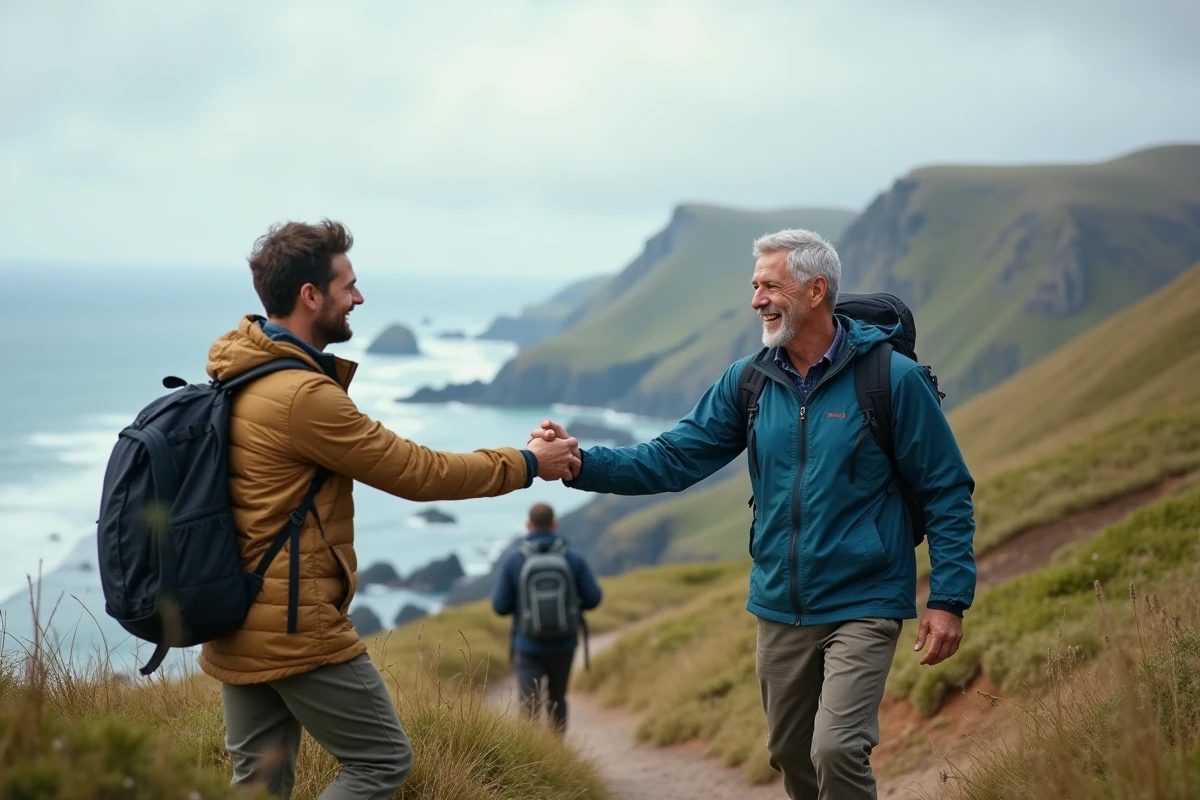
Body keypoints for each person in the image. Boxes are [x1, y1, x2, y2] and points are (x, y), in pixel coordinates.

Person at [528, 228, 976, 799]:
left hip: (864, 600)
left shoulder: (893, 380)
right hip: (778, 603)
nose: (757, 300)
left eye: (770, 286)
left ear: (816, 292)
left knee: (836, 748)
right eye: (754, 285)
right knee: (791, 754)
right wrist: (579, 463)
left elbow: (946, 490)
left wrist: (948, 598)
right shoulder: (749, 380)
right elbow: (671, 459)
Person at [199, 218, 580, 800]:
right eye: (347, 285)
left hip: (237, 617)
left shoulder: (243, 372)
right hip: (294, 626)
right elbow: (417, 472)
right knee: (381, 763)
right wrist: (527, 463)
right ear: (310, 296)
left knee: (258, 785)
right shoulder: (303, 396)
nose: (358, 297)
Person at [491, 502, 602, 733]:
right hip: (564, 644)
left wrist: (526, 608)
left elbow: (500, 606)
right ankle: (557, 756)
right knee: (557, 699)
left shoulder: (514, 560)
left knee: (529, 706)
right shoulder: (573, 557)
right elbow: (593, 598)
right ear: (554, 524)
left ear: (528, 525)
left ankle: (531, 761)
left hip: (527, 645)